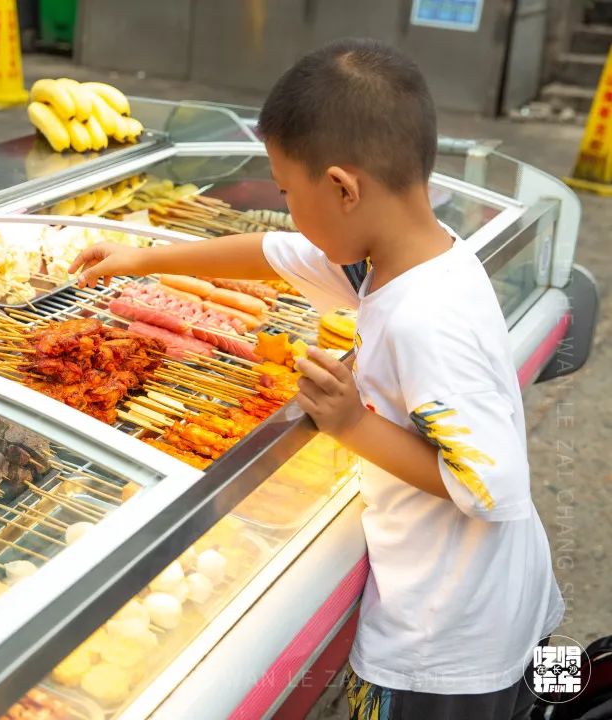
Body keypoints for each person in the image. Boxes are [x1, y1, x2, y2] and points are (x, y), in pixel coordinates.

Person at [69, 38, 563, 720]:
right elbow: (276, 253)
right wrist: (141, 257)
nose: (285, 207)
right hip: (513, 612)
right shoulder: (402, 252)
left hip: (443, 653)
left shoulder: (425, 317)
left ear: (341, 187)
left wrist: (351, 424)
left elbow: (491, 487)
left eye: (285, 190)